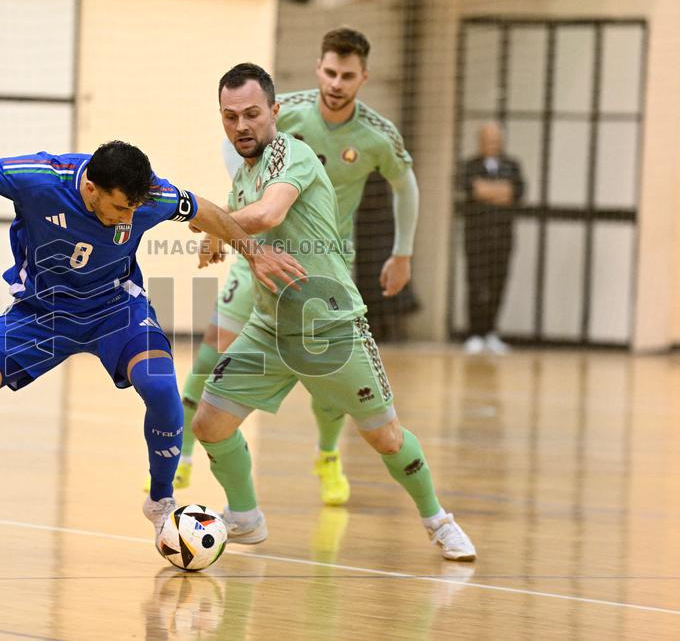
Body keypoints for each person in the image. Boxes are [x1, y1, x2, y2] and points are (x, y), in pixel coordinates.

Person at [0, 129, 306, 551]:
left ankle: (161, 503)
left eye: (135, 207)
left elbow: (201, 208)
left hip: (115, 310)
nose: (130, 216)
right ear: (89, 189)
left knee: (163, 387)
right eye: (121, 207)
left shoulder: (147, 197)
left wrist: (255, 251)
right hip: (42, 313)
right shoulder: (38, 179)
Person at [191, 63, 475, 561]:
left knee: (385, 437)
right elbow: (248, 227)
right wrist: (224, 235)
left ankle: (438, 520)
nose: (242, 126)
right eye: (230, 116)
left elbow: (268, 215)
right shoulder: (242, 180)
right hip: (269, 328)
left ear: (275, 112)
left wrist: (209, 221)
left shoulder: (291, 154)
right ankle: (245, 518)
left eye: (253, 114)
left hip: (331, 327)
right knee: (210, 422)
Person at [170, 28, 419, 506]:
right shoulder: (285, 114)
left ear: (363, 77)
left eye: (347, 75)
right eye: (329, 71)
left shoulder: (376, 134)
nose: (336, 82)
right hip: (256, 249)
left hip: (321, 259)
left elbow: (405, 187)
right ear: (317, 69)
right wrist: (233, 221)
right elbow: (241, 159)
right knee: (210, 352)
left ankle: (327, 455)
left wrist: (402, 251)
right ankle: (180, 458)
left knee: (327, 377)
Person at [461, 122, 524, 355]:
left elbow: (515, 192)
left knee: (498, 283)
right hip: (476, 237)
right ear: (481, 141)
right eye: (488, 139)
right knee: (476, 284)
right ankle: (474, 333)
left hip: (503, 237)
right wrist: (498, 191)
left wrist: (488, 191)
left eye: (496, 139)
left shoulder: (512, 165)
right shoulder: (470, 166)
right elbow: (473, 190)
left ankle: (490, 332)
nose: (493, 143)